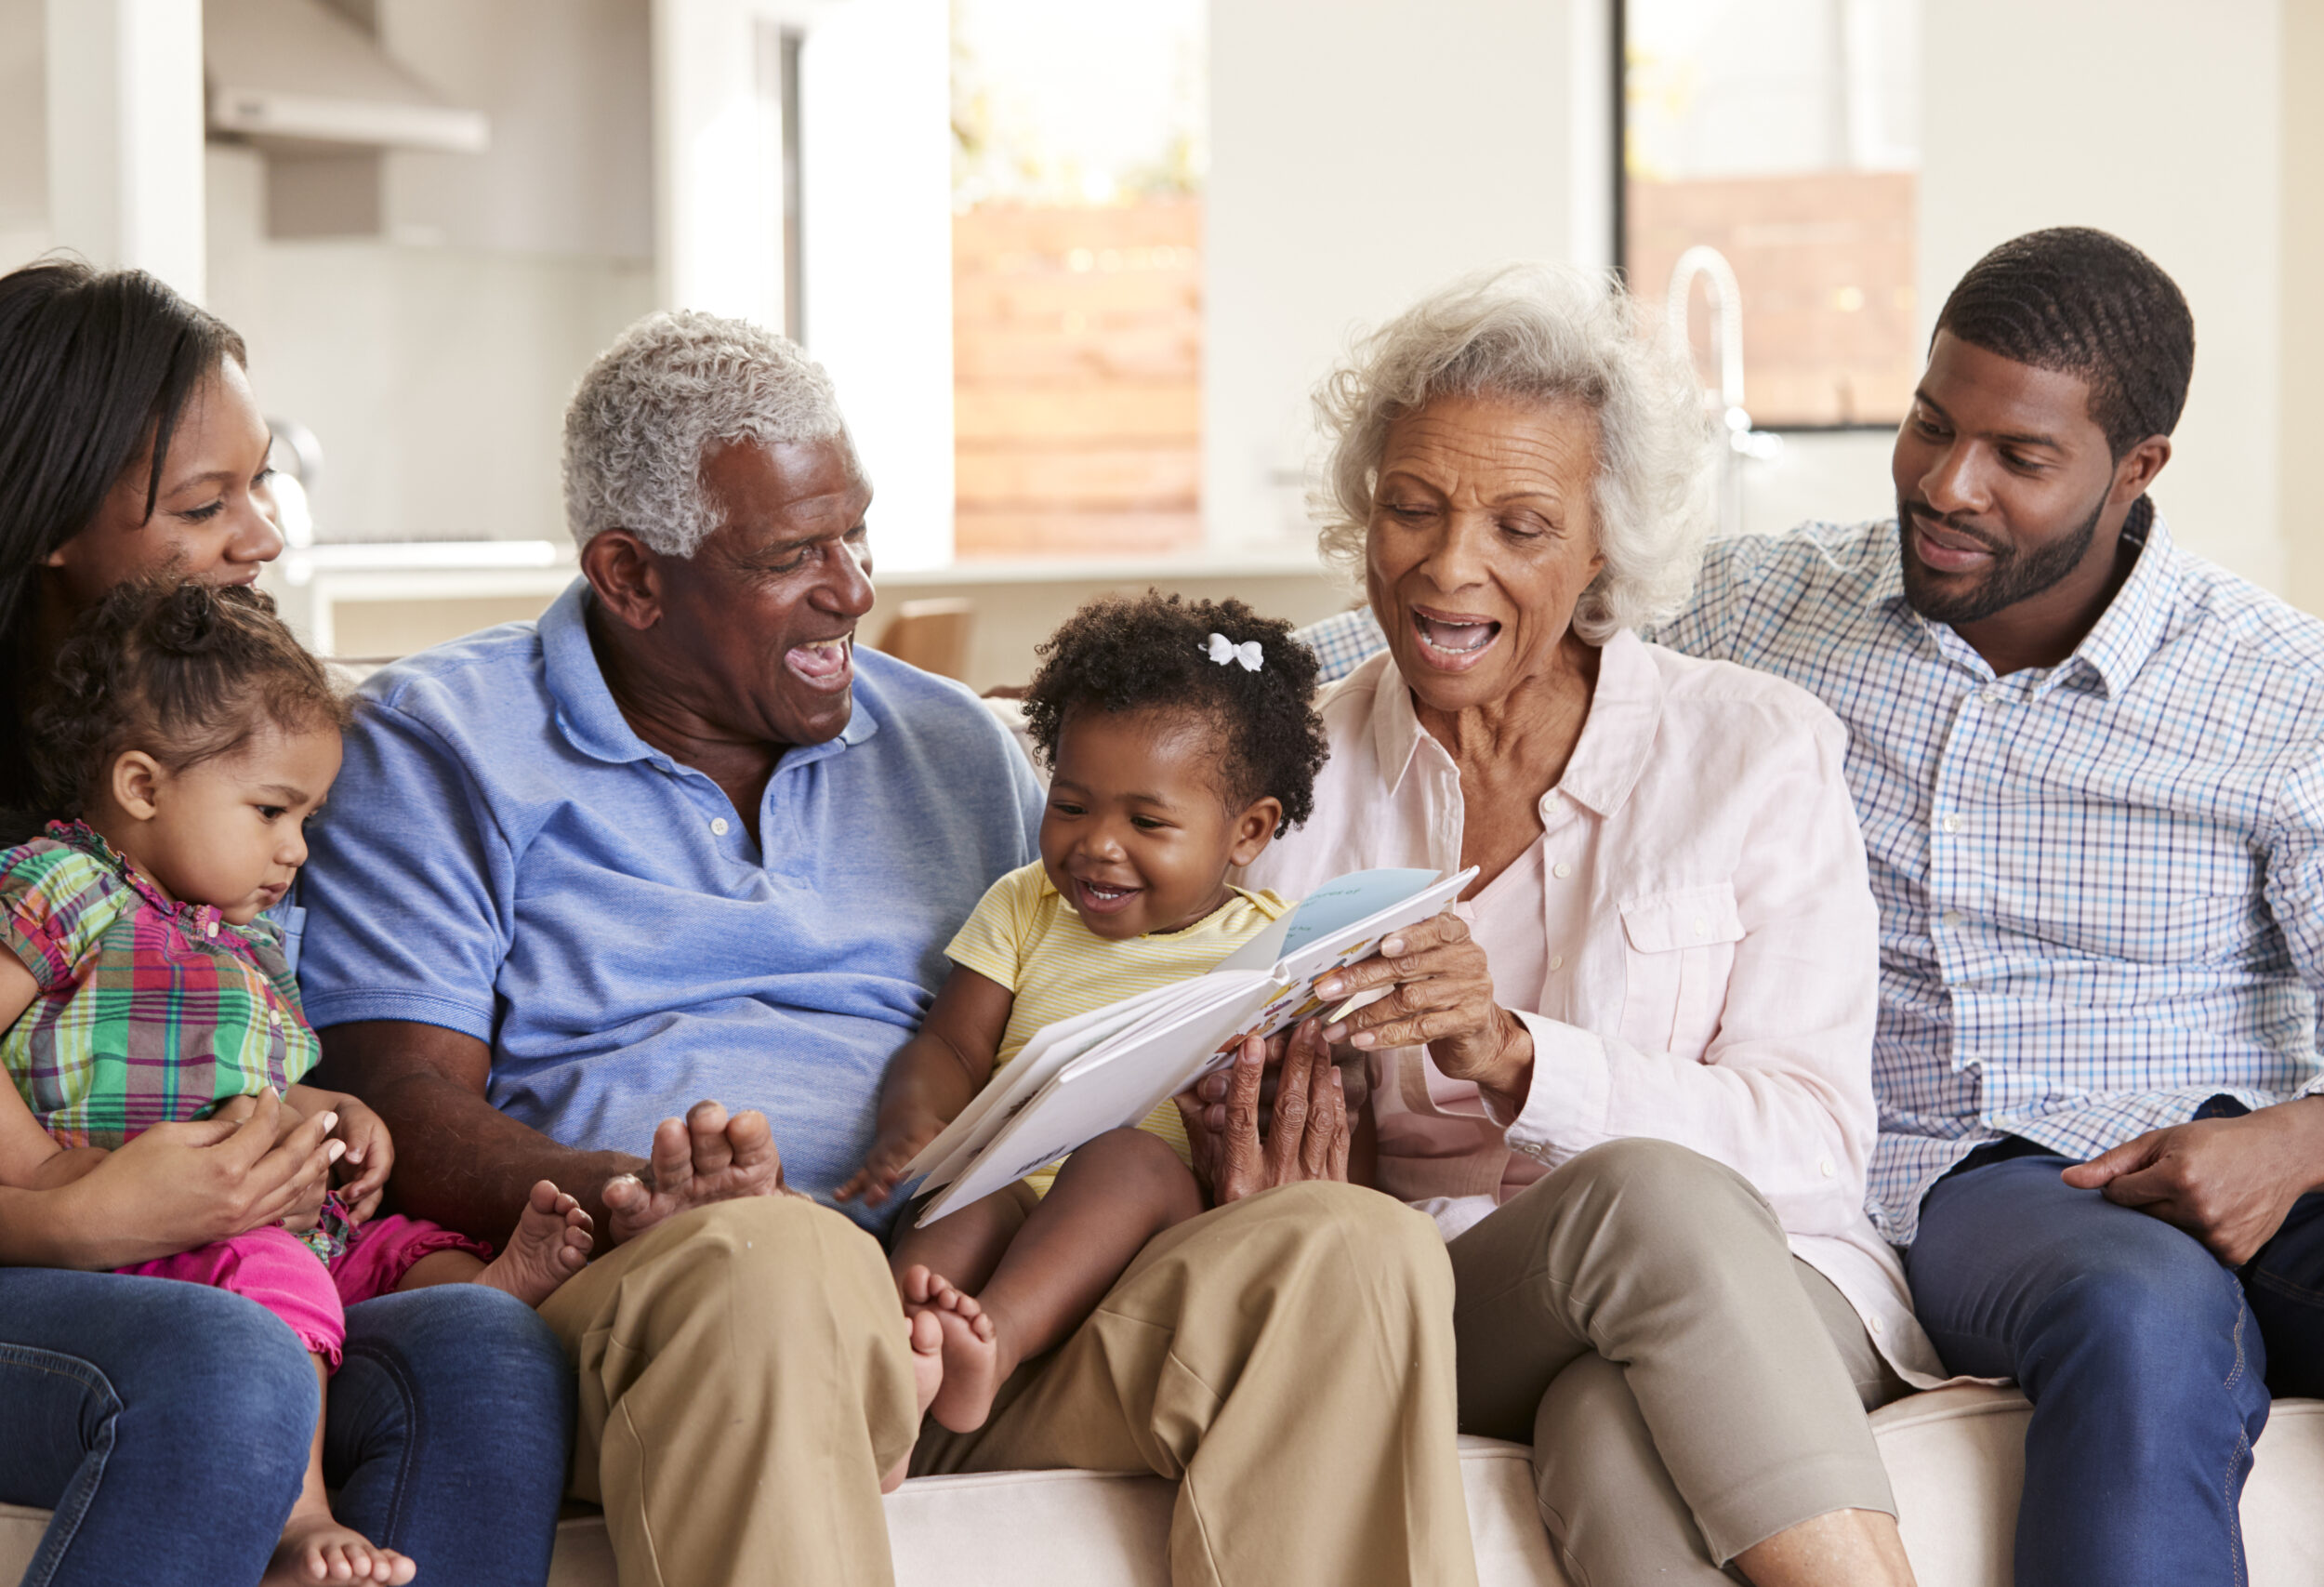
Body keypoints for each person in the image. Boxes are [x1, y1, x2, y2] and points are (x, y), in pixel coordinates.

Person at [294, 309, 1481, 1587]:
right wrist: (643, 1194)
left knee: (1351, 1248)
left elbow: (1075, 1001)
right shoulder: (442, 740)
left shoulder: (953, 743)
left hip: (953, 1316)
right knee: (776, 1253)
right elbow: (399, 1096)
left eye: (854, 534)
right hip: (679, 1301)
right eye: (792, 555)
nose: (854, 588)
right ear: (631, 576)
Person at [1300, 228, 2324, 1587]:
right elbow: (1426, 615)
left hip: (2101, 1160)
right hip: (1930, 1198)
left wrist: (2300, 1134)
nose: (1948, 486)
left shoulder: (2283, 694)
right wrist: (1157, 717)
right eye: (1930, 424)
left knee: (1607, 1420)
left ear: (2136, 469)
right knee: (2131, 1305)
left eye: (2018, 458)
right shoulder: (1771, 607)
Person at [1241, 263, 1948, 1587]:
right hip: (1455, 1293)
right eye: (1412, 508)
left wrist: (1519, 1058)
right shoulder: (1287, 782)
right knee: (1639, 1201)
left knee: (1607, 1417)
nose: (1450, 567)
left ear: (1602, 544)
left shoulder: (1752, 749)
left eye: (1520, 525)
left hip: (1771, 1273)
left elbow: (1811, 1146)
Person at [0, 260, 574, 1587]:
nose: (262, 539)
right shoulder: (39, 872)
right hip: (14, 1279)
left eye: (260, 485)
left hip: (203, 1252)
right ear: (47, 522)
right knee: (227, 1361)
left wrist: (314, 1124)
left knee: (484, 1351)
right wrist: (64, 1211)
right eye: (203, 504)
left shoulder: (248, 773)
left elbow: (235, 1037)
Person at [839, 590, 1328, 1432]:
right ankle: (886, 1367)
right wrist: (915, 1124)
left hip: (1151, 1234)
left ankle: (992, 1345)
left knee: (1126, 1157)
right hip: (1013, 1193)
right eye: (1070, 805)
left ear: (1247, 832)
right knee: (959, 1198)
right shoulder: (1025, 904)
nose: (1097, 843)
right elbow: (952, 1047)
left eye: (1147, 820)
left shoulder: (1274, 950)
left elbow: (1307, 1109)